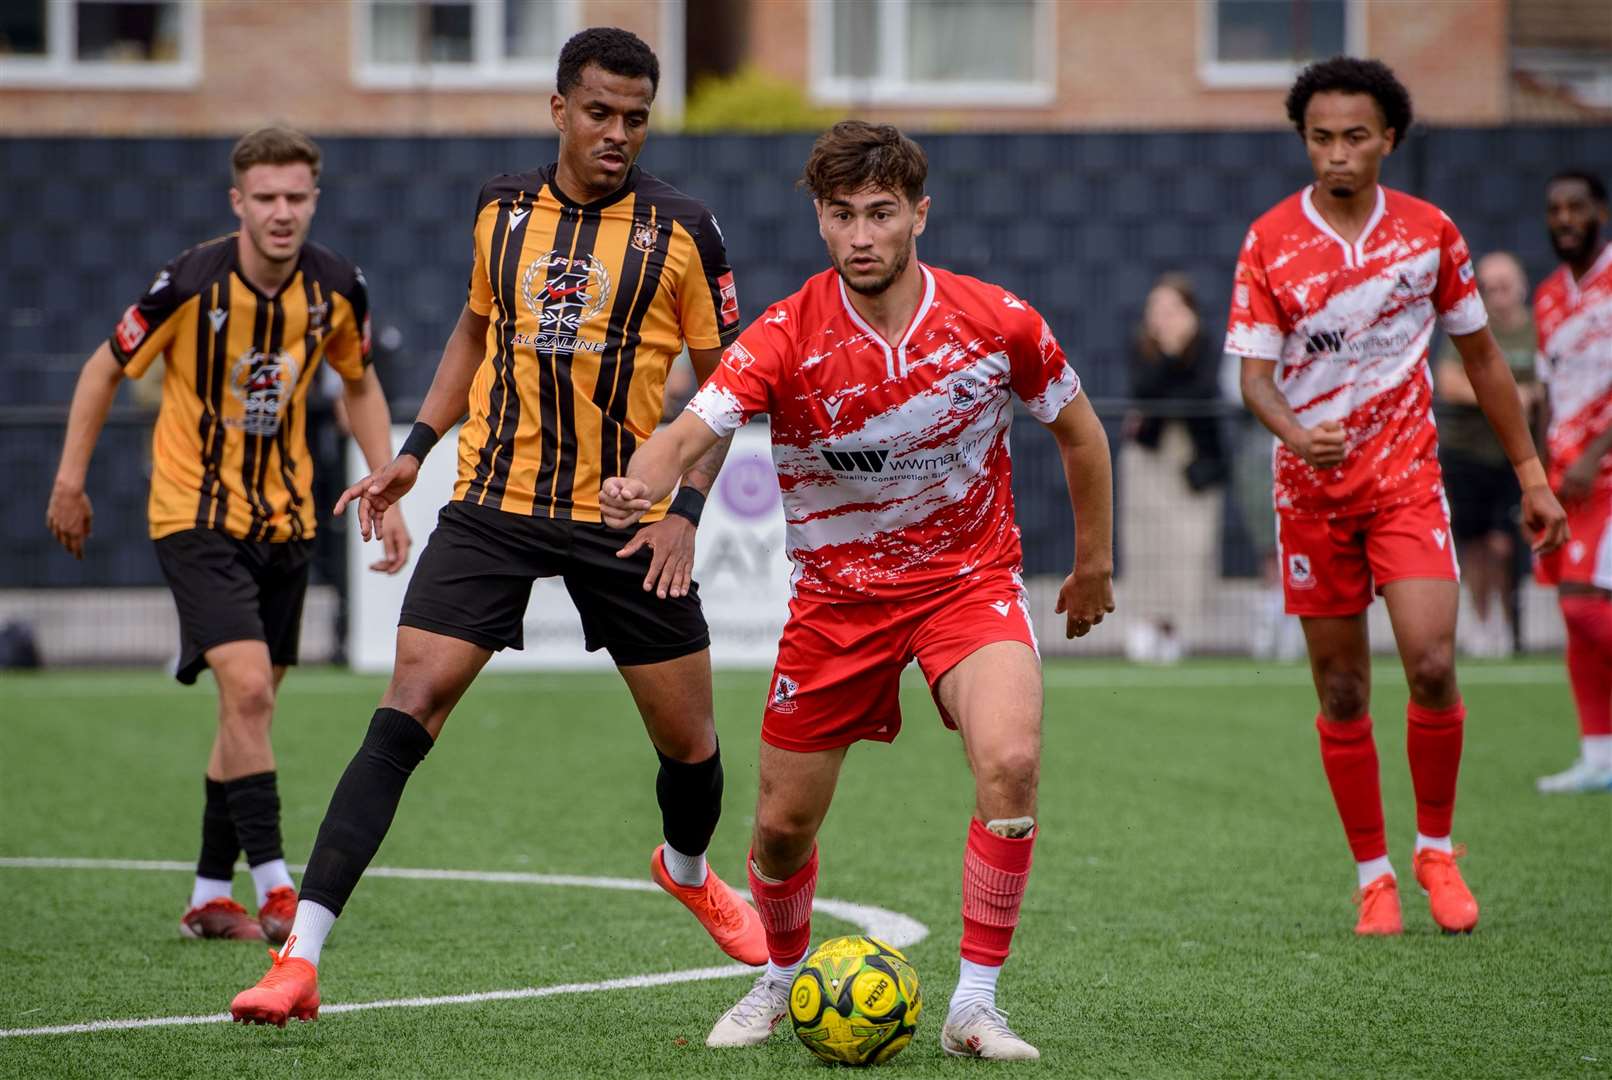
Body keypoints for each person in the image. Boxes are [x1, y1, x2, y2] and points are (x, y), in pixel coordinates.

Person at [229, 27, 762, 1027]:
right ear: (557, 108)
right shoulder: (500, 208)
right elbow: (476, 331)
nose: (616, 133)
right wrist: (416, 451)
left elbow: (730, 384)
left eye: (635, 118)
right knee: (407, 706)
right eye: (598, 112)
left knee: (690, 747)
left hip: (626, 516)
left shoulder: (686, 227)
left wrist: (684, 510)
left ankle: (686, 868)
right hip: (494, 505)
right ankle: (298, 960)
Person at [602, 121, 1115, 1061]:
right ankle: (781, 977)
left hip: (970, 584)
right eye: (842, 216)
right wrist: (644, 484)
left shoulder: (998, 320)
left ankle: (976, 1005)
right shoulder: (785, 335)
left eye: (880, 213)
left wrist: (1093, 566)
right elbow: (688, 428)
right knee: (782, 828)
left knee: (1009, 763)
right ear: (821, 222)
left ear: (920, 214)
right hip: (838, 603)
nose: (861, 235)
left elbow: (1080, 434)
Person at [1226, 58, 1567, 936]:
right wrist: (1298, 434)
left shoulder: (1429, 233)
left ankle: (1437, 852)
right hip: (1310, 495)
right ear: (1304, 141)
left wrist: (1532, 476)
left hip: (1408, 484)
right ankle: (1374, 876)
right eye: (1320, 138)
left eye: (1354, 137)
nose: (1337, 154)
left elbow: (1484, 359)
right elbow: (1255, 379)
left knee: (1431, 665)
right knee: (1342, 690)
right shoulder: (1270, 240)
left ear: (1388, 139)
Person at [45, 126, 411, 944]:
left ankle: (211, 893)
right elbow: (105, 366)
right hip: (193, 513)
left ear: (314, 199)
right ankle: (280, 887)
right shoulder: (189, 283)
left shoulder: (337, 287)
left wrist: (386, 481)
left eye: (296, 197)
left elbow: (359, 382)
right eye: (266, 198)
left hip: (284, 516)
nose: (282, 213)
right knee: (246, 691)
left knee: (252, 707)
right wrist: (69, 481)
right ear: (237, 202)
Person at [1532, 169, 1612, 794]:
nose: (1564, 218)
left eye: (1576, 207)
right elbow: (1545, 396)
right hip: (1565, 481)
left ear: (1600, 212)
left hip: (1607, 476)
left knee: (1587, 604)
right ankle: (1597, 757)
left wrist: (1595, 453)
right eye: (1556, 208)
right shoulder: (1548, 298)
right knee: (1573, 613)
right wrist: (1535, 478)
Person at [1434, 252, 1538, 657]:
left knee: (1504, 543)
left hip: (1514, 456)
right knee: (1473, 543)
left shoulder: (1537, 331)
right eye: (1489, 287)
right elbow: (1450, 382)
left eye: (1504, 286)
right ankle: (1482, 621)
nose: (1497, 295)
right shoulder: (1469, 329)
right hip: (1467, 451)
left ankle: (1508, 620)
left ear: (1521, 286)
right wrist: (1508, 397)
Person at [1122, 272, 1226, 662]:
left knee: (1189, 542)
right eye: (1157, 309)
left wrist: (1179, 356)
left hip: (1193, 459)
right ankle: (1147, 622)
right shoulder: (1141, 347)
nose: (1162, 317)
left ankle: (1176, 627)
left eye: (1171, 309)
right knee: (1148, 540)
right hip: (1151, 456)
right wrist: (1168, 354)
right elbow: (1144, 391)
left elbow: (1202, 392)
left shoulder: (1206, 345)